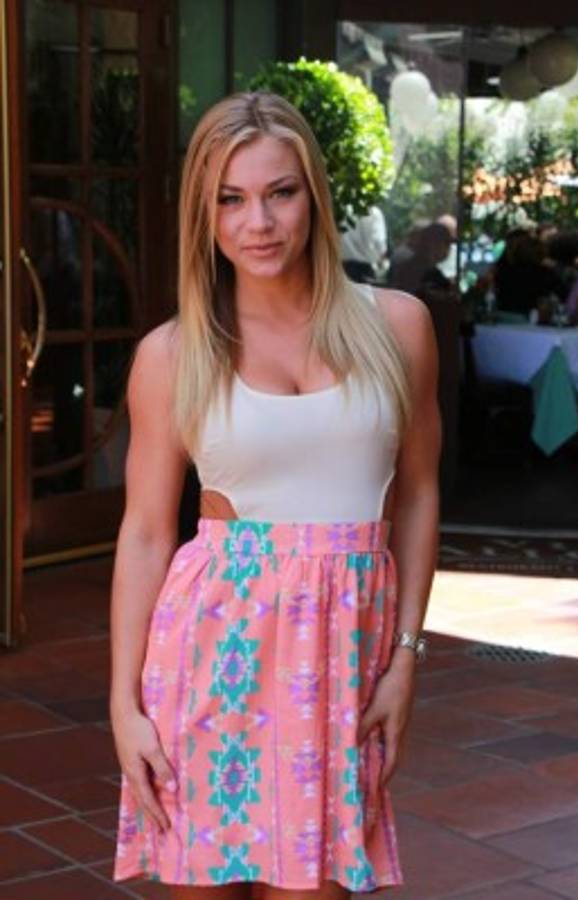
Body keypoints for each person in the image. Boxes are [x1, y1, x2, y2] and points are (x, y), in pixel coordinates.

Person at [110, 91, 440, 900]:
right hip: (206, 656)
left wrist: (404, 657)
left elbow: (417, 493)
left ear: (313, 196)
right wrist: (123, 703)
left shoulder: (398, 327)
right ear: (204, 213)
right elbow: (147, 532)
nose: (256, 222)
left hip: (337, 667)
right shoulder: (173, 354)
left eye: (279, 192)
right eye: (229, 198)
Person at [340, 205, 388, 283]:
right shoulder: (373, 212)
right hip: (364, 271)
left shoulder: (341, 207)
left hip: (340, 269)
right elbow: (379, 243)